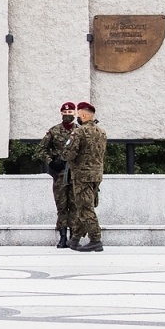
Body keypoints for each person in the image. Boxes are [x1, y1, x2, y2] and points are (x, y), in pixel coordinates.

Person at [63, 101, 108, 252]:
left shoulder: (79, 132)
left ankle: (95, 239)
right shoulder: (101, 132)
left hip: (82, 175)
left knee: (84, 207)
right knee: (84, 205)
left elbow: (69, 154)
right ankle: (75, 239)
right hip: (96, 175)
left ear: (83, 114)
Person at [38, 101, 78, 248]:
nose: (68, 115)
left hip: (75, 174)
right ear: (61, 113)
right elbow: (41, 150)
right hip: (60, 174)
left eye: (70, 113)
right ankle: (62, 237)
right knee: (61, 205)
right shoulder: (54, 131)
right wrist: (51, 162)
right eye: (65, 113)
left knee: (74, 205)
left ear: (74, 114)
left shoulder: (79, 131)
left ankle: (74, 237)